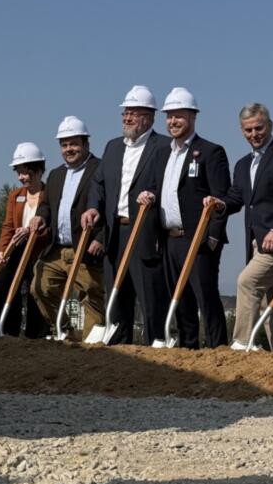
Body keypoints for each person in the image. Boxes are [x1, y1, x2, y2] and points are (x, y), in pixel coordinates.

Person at [81, 86, 169, 345]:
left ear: (150, 117)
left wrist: (152, 194)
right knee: (117, 293)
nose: (127, 118)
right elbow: (98, 183)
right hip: (115, 232)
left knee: (149, 294)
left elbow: (168, 183)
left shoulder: (163, 147)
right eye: (125, 113)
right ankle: (120, 349)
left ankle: (156, 345)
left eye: (134, 113)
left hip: (144, 229)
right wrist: (93, 206)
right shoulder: (112, 147)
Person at [145, 87, 232, 349]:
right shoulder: (162, 154)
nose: (173, 122)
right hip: (170, 238)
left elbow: (221, 198)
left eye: (179, 116)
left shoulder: (210, 152)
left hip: (199, 239)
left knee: (205, 296)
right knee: (179, 297)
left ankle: (217, 349)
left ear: (193, 117)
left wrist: (213, 237)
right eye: (169, 116)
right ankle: (187, 349)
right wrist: (147, 195)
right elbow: (155, 188)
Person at [214, 104, 273, 351]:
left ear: (269, 125)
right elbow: (236, 198)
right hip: (256, 241)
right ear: (242, 131)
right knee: (271, 302)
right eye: (248, 130)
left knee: (247, 282)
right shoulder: (242, 164)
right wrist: (220, 204)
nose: (254, 134)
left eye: (259, 128)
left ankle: (241, 342)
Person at [30, 116, 105, 341]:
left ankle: (93, 344)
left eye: (74, 143)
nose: (69, 149)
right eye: (64, 145)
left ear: (86, 144)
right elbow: (46, 205)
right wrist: (40, 218)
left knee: (91, 294)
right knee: (40, 288)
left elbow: (109, 207)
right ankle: (65, 329)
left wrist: (100, 238)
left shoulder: (100, 169)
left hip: (85, 247)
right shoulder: (56, 175)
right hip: (57, 248)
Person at [0, 143, 50, 337]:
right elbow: (8, 226)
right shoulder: (15, 196)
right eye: (19, 172)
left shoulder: (50, 195)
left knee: (37, 287)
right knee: (2, 281)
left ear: (38, 171)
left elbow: (52, 227)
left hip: (39, 250)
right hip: (17, 249)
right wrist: (1, 250)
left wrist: (33, 233)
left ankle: (36, 333)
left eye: (26, 173)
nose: (21, 177)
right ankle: (7, 330)